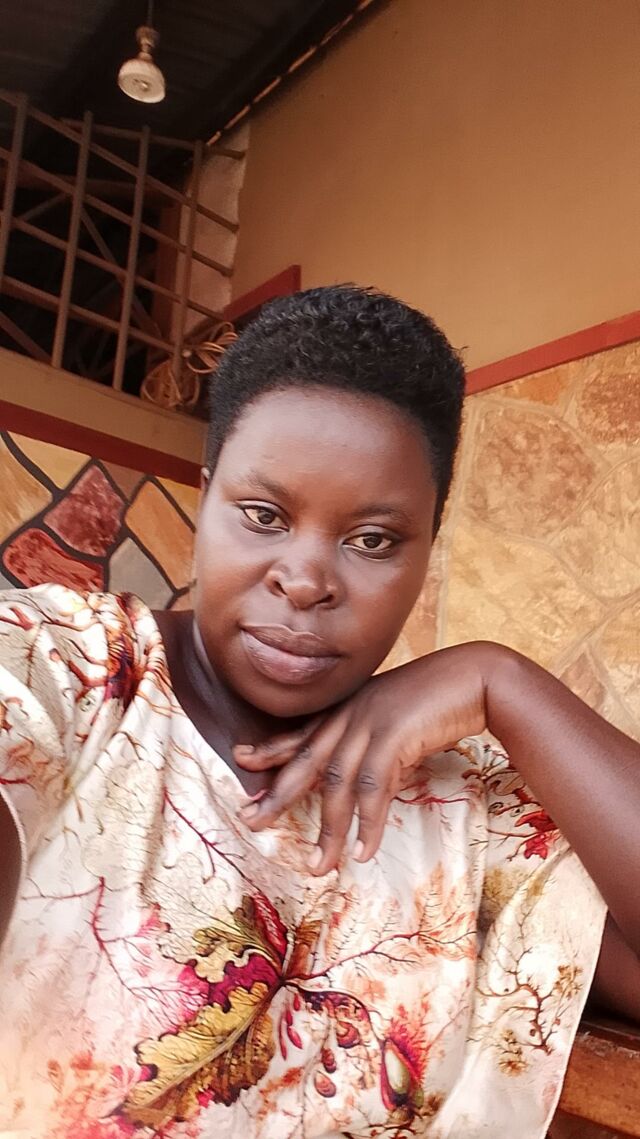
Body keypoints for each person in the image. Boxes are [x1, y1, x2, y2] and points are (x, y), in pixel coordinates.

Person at [0, 286, 638, 1139]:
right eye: (264, 515)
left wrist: (503, 680)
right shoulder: (65, 677)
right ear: (206, 496)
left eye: (373, 539)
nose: (305, 581)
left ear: (428, 543)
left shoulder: (470, 806)